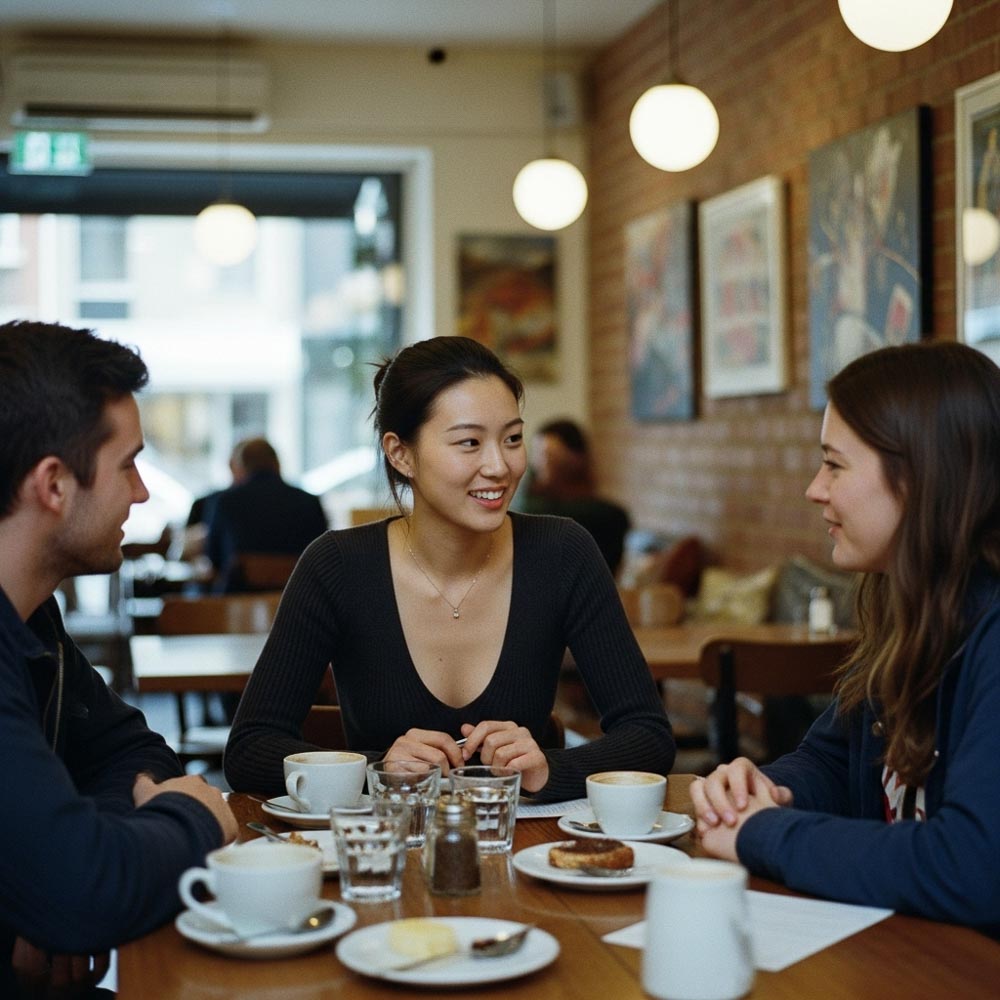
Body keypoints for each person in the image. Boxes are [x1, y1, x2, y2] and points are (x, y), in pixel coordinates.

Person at [225, 336, 674, 801]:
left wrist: (549, 768)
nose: (499, 466)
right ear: (400, 454)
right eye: (469, 443)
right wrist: (378, 772)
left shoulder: (562, 552)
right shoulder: (337, 567)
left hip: (525, 854)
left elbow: (648, 736)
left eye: (512, 439)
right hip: (384, 855)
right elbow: (249, 749)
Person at [690, 341, 1000, 934]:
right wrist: (765, 788)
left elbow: (974, 868)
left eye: (834, 464)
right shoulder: (903, 608)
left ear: (919, 477)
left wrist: (764, 832)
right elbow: (831, 763)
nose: (814, 489)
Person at [0, 320, 238, 998]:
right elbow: (87, 888)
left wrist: (50, 881)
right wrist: (195, 814)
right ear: (53, 485)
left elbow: (133, 750)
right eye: (127, 464)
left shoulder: (30, 614)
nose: (139, 493)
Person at [205, 436, 328, 593]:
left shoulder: (226, 501)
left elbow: (213, 558)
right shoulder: (309, 501)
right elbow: (322, 558)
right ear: (277, 464)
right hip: (299, 599)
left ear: (241, 467)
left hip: (238, 603)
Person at [512, 418, 630, 575]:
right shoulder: (537, 505)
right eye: (537, 454)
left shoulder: (606, 517)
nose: (538, 463)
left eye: (547, 455)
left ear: (575, 459)